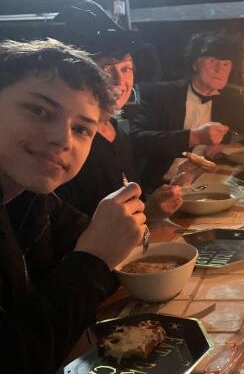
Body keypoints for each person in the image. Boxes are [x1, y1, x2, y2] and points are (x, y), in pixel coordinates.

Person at [0, 39, 146, 372]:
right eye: (39, 110)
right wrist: (91, 261)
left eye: (82, 129)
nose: (63, 140)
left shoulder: (35, 201)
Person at [53, 0, 183, 219]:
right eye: (105, 68)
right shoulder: (63, 141)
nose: (119, 80)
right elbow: (64, 231)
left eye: (126, 68)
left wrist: (152, 205)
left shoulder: (118, 134)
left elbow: (129, 206)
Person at [130, 31, 244, 191]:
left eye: (226, 64)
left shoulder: (230, 100)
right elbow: (137, 140)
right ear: (195, 64)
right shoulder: (162, 94)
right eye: (213, 61)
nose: (220, 69)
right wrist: (193, 137)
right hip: (163, 186)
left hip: (213, 184)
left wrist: (228, 148)